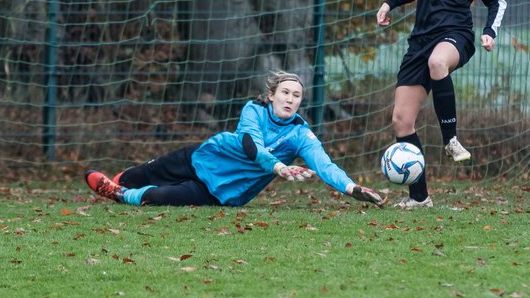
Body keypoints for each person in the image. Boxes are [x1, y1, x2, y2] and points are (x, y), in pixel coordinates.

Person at [84, 71, 385, 208]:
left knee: (160, 197)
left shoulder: (300, 135)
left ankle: (119, 195)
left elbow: (324, 164)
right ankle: (119, 182)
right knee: (138, 175)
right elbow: (249, 144)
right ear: (271, 96)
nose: (290, 99)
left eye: (296, 95)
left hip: (223, 190)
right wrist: (278, 167)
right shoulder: (253, 110)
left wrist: (351, 187)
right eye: (285, 93)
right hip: (202, 157)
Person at [375, 0, 506, 209]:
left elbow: (496, 0)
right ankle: (419, 198)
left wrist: (489, 32)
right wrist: (389, 2)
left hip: (455, 36)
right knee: (401, 121)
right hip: (420, 40)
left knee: (438, 62)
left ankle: (451, 139)